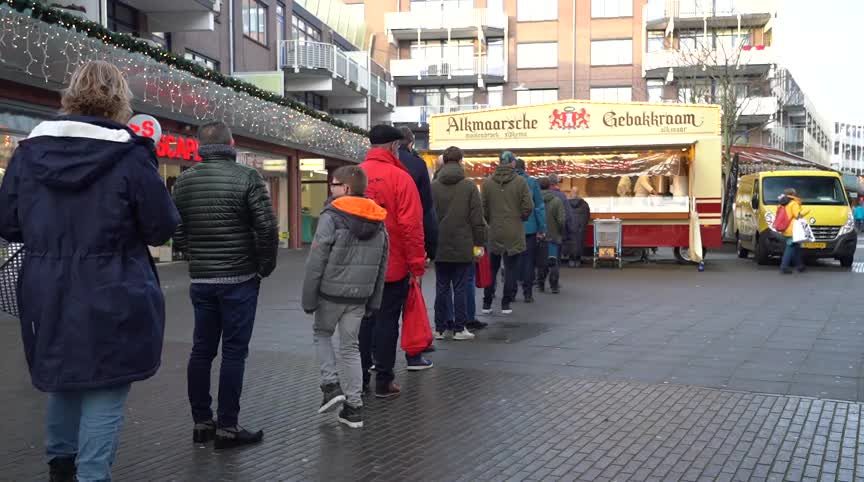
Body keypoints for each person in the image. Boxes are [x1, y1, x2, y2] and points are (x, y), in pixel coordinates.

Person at [0, 61, 180, 481]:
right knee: (106, 384)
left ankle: (60, 469)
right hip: (114, 284)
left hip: (45, 285)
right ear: (120, 100)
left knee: (63, 378)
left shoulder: (28, 153)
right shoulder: (130, 154)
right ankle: (93, 475)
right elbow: (161, 225)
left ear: (70, 95)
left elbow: (7, 223)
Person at [173, 121, 278, 449]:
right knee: (234, 351)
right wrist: (264, 266)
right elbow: (267, 227)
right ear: (231, 143)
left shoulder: (185, 180)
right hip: (238, 279)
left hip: (202, 279)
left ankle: (201, 422)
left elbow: (177, 228)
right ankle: (228, 426)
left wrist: (194, 257)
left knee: (201, 349)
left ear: (199, 146)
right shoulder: (247, 177)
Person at [301, 166, 388, 429]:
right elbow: (383, 263)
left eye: (334, 184)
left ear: (346, 189)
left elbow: (317, 258)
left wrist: (308, 297)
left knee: (322, 334)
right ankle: (354, 408)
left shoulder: (332, 216)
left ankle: (330, 385)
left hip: (331, 293)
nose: (331, 188)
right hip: (360, 296)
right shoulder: (378, 219)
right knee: (350, 347)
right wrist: (374, 300)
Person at [359, 125, 430, 400]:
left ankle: (361, 377)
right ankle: (384, 380)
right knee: (387, 321)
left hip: (358, 265)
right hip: (392, 263)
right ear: (393, 147)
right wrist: (416, 264)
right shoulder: (400, 178)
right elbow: (411, 225)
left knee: (363, 322)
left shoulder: (355, 174)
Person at [431, 146, 487, 341]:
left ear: (444, 162)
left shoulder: (434, 186)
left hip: (440, 244)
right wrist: (479, 243)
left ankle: (439, 328)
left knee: (441, 287)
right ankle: (459, 328)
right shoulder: (469, 186)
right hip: (464, 244)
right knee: (461, 287)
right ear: (461, 161)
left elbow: (429, 217)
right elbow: (477, 218)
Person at [481, 152, 533, 315]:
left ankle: (487, 302)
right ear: (512, 163)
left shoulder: (487, 183)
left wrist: (490, 221)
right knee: (511, 269)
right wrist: (520, 218)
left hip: (494, 230)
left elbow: (483, 208)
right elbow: (528, 206)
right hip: (514, 230)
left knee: (492, 268)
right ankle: (506, 303)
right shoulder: (520, 182)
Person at [398, 126, 438, 262]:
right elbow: (427, 206)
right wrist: (430, 246)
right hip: (410, 228)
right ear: (410, 144)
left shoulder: (377, 164)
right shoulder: (418, 165)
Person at [513, 156, 546, 303]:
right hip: (530, 228)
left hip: (511, 227)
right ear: (525, 168)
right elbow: (539, 207)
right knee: (528, 262)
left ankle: (511, 293)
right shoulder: (532, 182)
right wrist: (541, 227)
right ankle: (527, 293)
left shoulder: (507, 182)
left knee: (511, 261)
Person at [537, 177, 566, 293]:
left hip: (539, 237)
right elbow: (561, 220)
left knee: (541, 263)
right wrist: (560, 232)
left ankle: (540, 285)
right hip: (554, 236)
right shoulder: (557, 201)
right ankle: (554, 286)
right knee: (553, 262)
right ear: (550, 186)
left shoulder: (534, 201)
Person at [779, 188, 806, 274]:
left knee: (796, 246)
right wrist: (807, 211)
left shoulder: (783, 203)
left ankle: (799, 265)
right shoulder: (793, 203)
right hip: (793, 229)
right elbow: (798, 215)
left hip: (786, 228)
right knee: (790, 247)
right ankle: (784, 266)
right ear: (793, 194)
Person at [566, 187, 591, 268]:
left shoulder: (566, 203)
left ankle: (571, 260)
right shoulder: (584, 204)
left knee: (570, 242)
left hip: (570, 227)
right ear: (578, 193)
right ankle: (578, 260)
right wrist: (583, 226)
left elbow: (564, 215)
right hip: (580, 228)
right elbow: (587, 216)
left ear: (571, 193)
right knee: (579, 242)